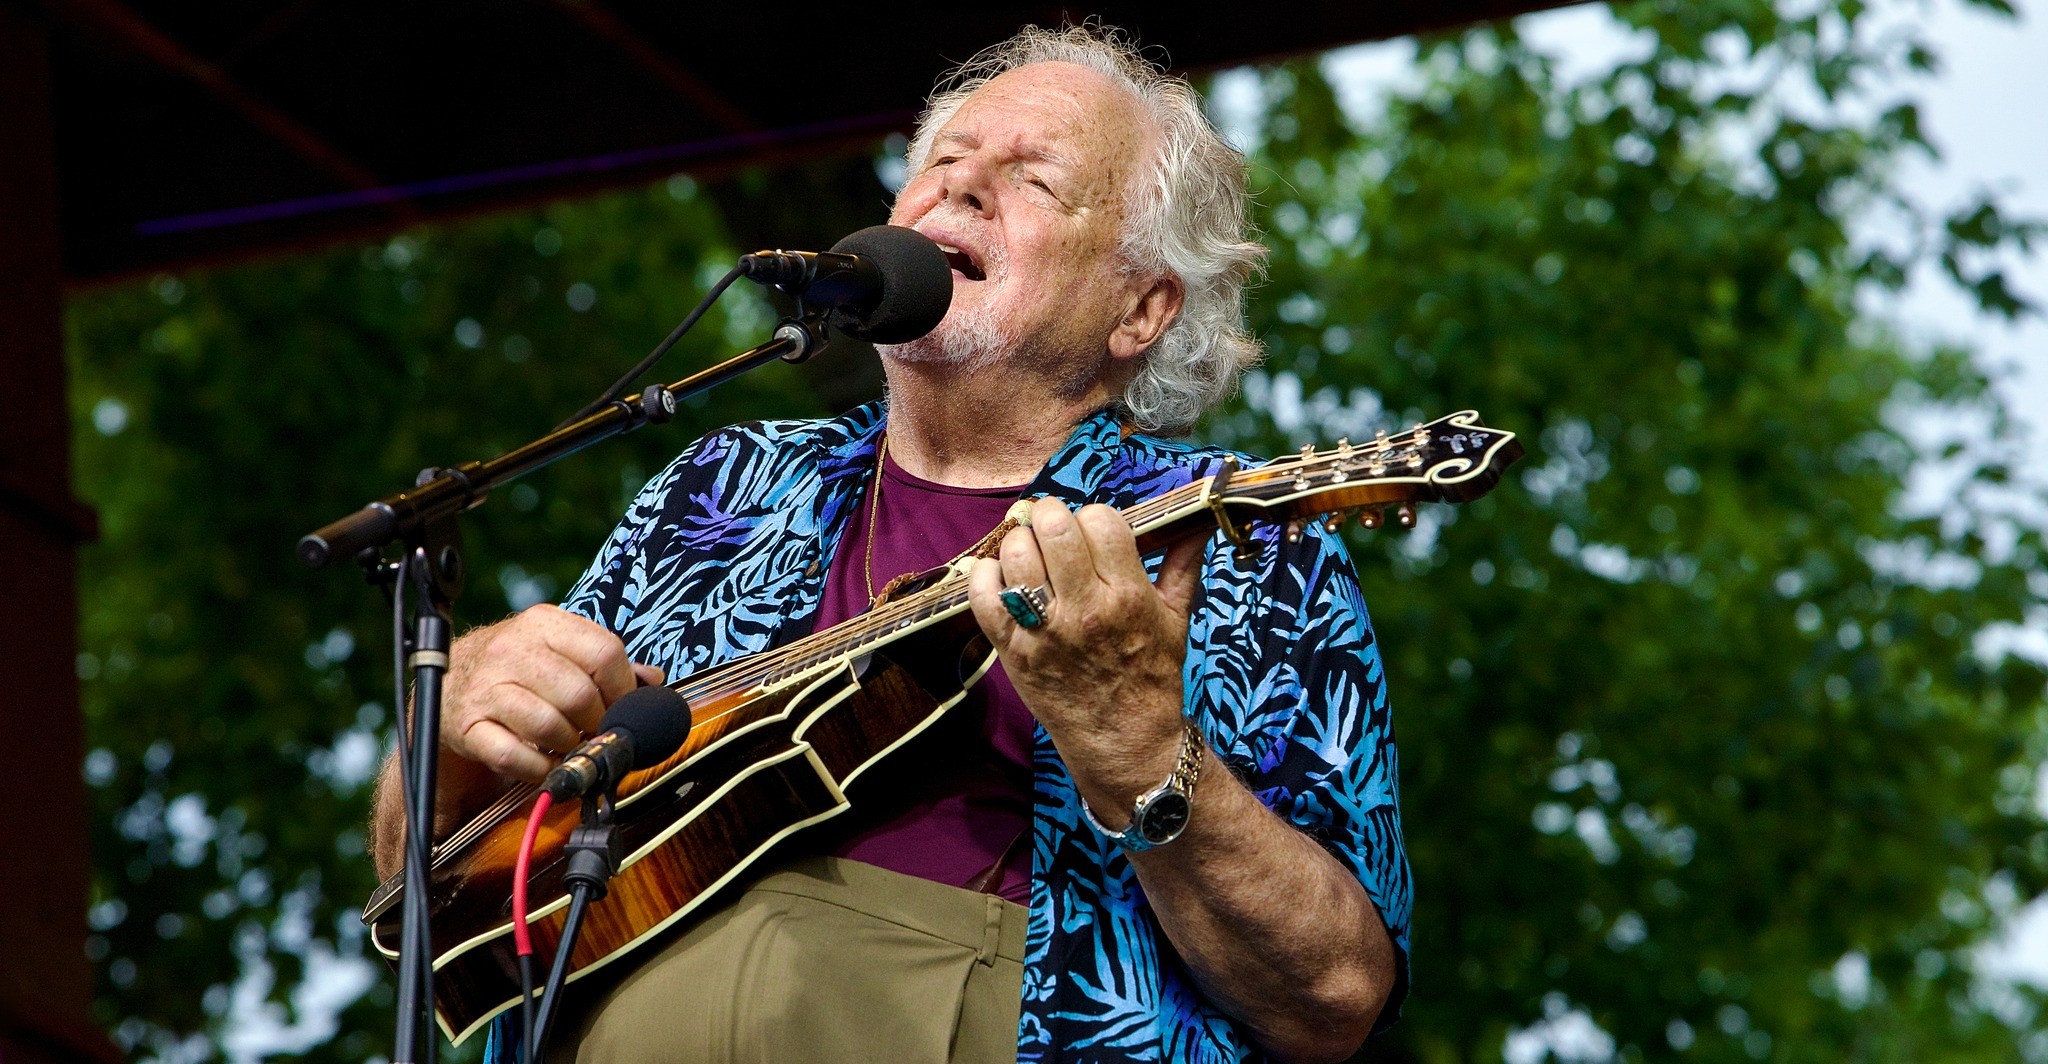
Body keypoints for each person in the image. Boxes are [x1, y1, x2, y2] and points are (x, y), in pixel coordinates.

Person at [371, 24, 1409, 1064]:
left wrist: (1138, 746)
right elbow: (431, 910)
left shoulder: (1238, 545)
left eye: (1033, 180)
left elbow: (1335, 994)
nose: (957, 192)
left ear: (1138, 307)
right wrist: (450, 729)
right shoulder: (722, 481)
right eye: (942, 166)